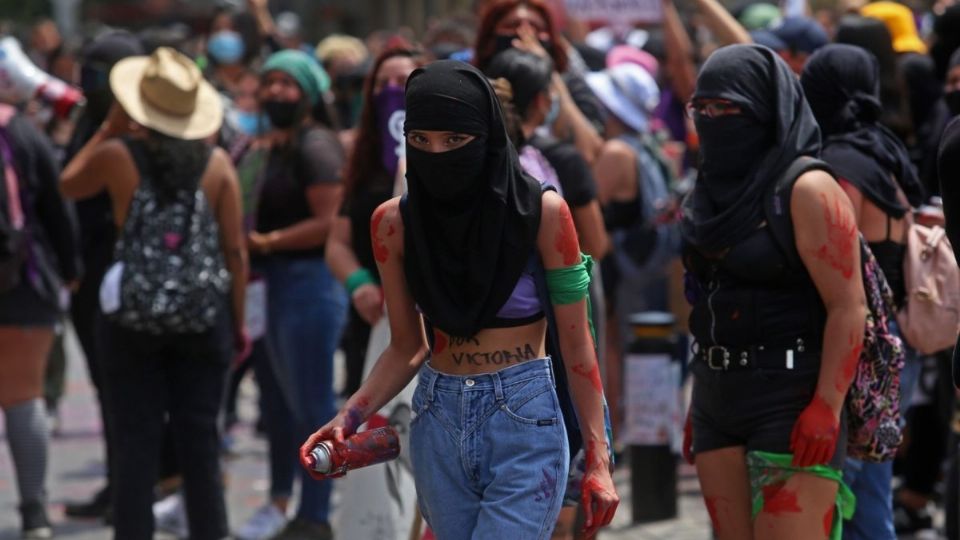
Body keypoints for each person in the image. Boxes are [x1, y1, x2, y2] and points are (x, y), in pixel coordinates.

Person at [301, 60, 619, 539]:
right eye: (421, 140)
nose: (437, 154)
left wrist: (599, 456)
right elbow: (408, 345)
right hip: (438, 415)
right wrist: (348, 418)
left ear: (488, 136)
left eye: (455, 141)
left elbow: (577, 345)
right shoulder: (394, 224)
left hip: (524, 414)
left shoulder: (544, 213)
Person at [60, 47, 247, 540]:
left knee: (133, 445)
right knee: (199, 446)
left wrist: (108, 127)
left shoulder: (116, 156)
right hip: (203, 322)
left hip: (131, 320)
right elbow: (234, 251)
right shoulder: (218, 164)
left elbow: (68, 184)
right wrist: (239, 320)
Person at [680, 44, 866, 540]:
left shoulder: (807, 189)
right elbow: (704, 303)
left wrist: (827, 405)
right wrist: (700, 398)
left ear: (765, 109)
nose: (712, 119)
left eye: (728, 108)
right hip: (718, 397)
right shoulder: (706, 191)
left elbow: (849, 307)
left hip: (793, 396)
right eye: (703, 108)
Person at [801, 43, 926, 540]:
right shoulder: (885, 151)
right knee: (871, 483)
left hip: (859, 347)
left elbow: (839, 266)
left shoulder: (838, 167)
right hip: (894, 341)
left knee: (849, 487)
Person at [239, 49, 347, 540]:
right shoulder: (267, 147)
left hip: (309, 286)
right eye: (270, 81)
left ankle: (317, 515)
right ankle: (284, 504)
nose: (276, 92)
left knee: (312, 408)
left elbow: (329, 222)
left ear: (308, 94)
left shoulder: (315, 145)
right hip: (272, 289)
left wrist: (268, 242)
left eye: (289, 83)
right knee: (279, 408)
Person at [60, 30, 144, 524]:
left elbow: (71, 179)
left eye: (98, 77)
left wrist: (108, 129)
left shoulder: (128, 134)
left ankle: (131, 488)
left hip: (121, 276)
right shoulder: (89, 121)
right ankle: (121, 482)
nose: (87, 86)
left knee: (125, 391)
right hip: (88, 273)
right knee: (106, 388)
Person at [0, 91, 80, 539]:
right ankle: (35, 513)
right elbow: (56, 204)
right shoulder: (21, 131)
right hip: (22, 281)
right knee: (24, 395)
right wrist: (70, 271)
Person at [327, 47, 418, 401]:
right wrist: (359, 283)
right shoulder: (360, 157)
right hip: (370, 315)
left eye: (403, 82)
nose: (392, 90)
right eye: (383, 83)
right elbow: (337, 241)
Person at [473, 0, 605, 163]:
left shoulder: (570, 83)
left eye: (536, 28)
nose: (525, 34)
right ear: (491, 36)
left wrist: (546, 70)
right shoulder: (473, 83)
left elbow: (588, 151)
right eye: (513, 25)